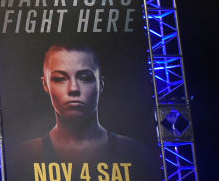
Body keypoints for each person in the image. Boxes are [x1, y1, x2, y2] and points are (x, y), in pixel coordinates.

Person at [17, 43, 148, 164]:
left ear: (100, 84)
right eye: (60, 79)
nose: (73, 89)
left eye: (85, 78)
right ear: (45, 84)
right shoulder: (25, 155)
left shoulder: (134, 153)